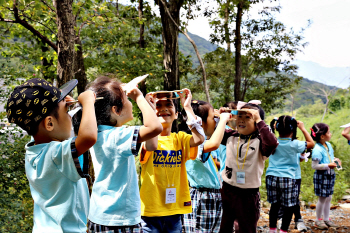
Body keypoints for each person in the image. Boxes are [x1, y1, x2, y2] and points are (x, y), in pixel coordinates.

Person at [73, 76, 163, 233]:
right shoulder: (118, 136)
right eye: (127, 99)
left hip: (101, 215)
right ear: (116, 110)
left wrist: (148, 106)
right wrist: (139, 98)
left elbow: (152, 144)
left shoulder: (98, 133)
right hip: (120, 220)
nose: (131, 102)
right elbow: (155, 128)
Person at [6, 78, 97, 232]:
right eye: (67, 112)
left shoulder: (34, 150)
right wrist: (88, 103)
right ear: (49, 124)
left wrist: (62, 107)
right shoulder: (56, 155)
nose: (70, 116)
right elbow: (88, 137)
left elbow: (57, 131)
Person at [140, 89, 205, 232]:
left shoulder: (180, 139)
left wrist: (187, 107)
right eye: (158, 105)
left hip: (174, 210)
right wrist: (149, 111)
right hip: (151, 211)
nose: (163, 109)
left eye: (169, 105)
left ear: (176, 114)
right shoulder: (146, 138)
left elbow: (200, 138)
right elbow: (152, 146)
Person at [219, 102, 278, 233]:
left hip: (248, 195)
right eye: (239, 116)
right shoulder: (231, 136)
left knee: (247, 228)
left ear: (257, 123)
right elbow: (212, 130)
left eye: (248, 117)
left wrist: (259, 120)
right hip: (227, 190)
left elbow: (272, 143)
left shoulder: (261, 141)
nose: (242, 120)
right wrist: (221, 117)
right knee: (223, 226)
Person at [179, 100, 231, 233]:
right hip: (201, 197)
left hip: (212, 196)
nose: (216, 120)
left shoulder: (206, 139)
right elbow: (214, 144)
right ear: (202, 122)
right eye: (213, 118)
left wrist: (222, 119)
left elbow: (218, 139)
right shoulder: (192, 142)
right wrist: (223, 120)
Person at [265, 116, 314, 233]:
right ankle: (283, 230)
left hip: (271, 176)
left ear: (276, 128)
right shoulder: (296, 144)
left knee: (274, 205)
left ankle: (272, 230)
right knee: (289, 206)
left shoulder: (273, 142)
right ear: (293, 130)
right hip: (288, 178)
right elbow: (311, 143)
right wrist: (302, 128)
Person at [311, 123, 340, 230]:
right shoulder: (317, 150)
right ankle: (318, 220)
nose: (330, 134)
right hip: (322, 176)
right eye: (328, 132)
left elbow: (329, 157)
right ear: (322, 136)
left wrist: (335, 160)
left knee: (329, 197)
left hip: (330, 175)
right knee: (322, 198)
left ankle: (326, 219)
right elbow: (314, 166)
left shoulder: (328, 145)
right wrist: (328, 165)